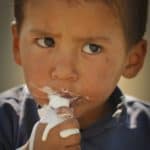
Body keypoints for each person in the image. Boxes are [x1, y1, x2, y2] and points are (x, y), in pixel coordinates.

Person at [0, 0, 150, 149]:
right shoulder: (5, 119)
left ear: (132, 60)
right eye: (47, 41)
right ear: (17, 45)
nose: (63, 72)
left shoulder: (145, 131)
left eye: (93, 48)